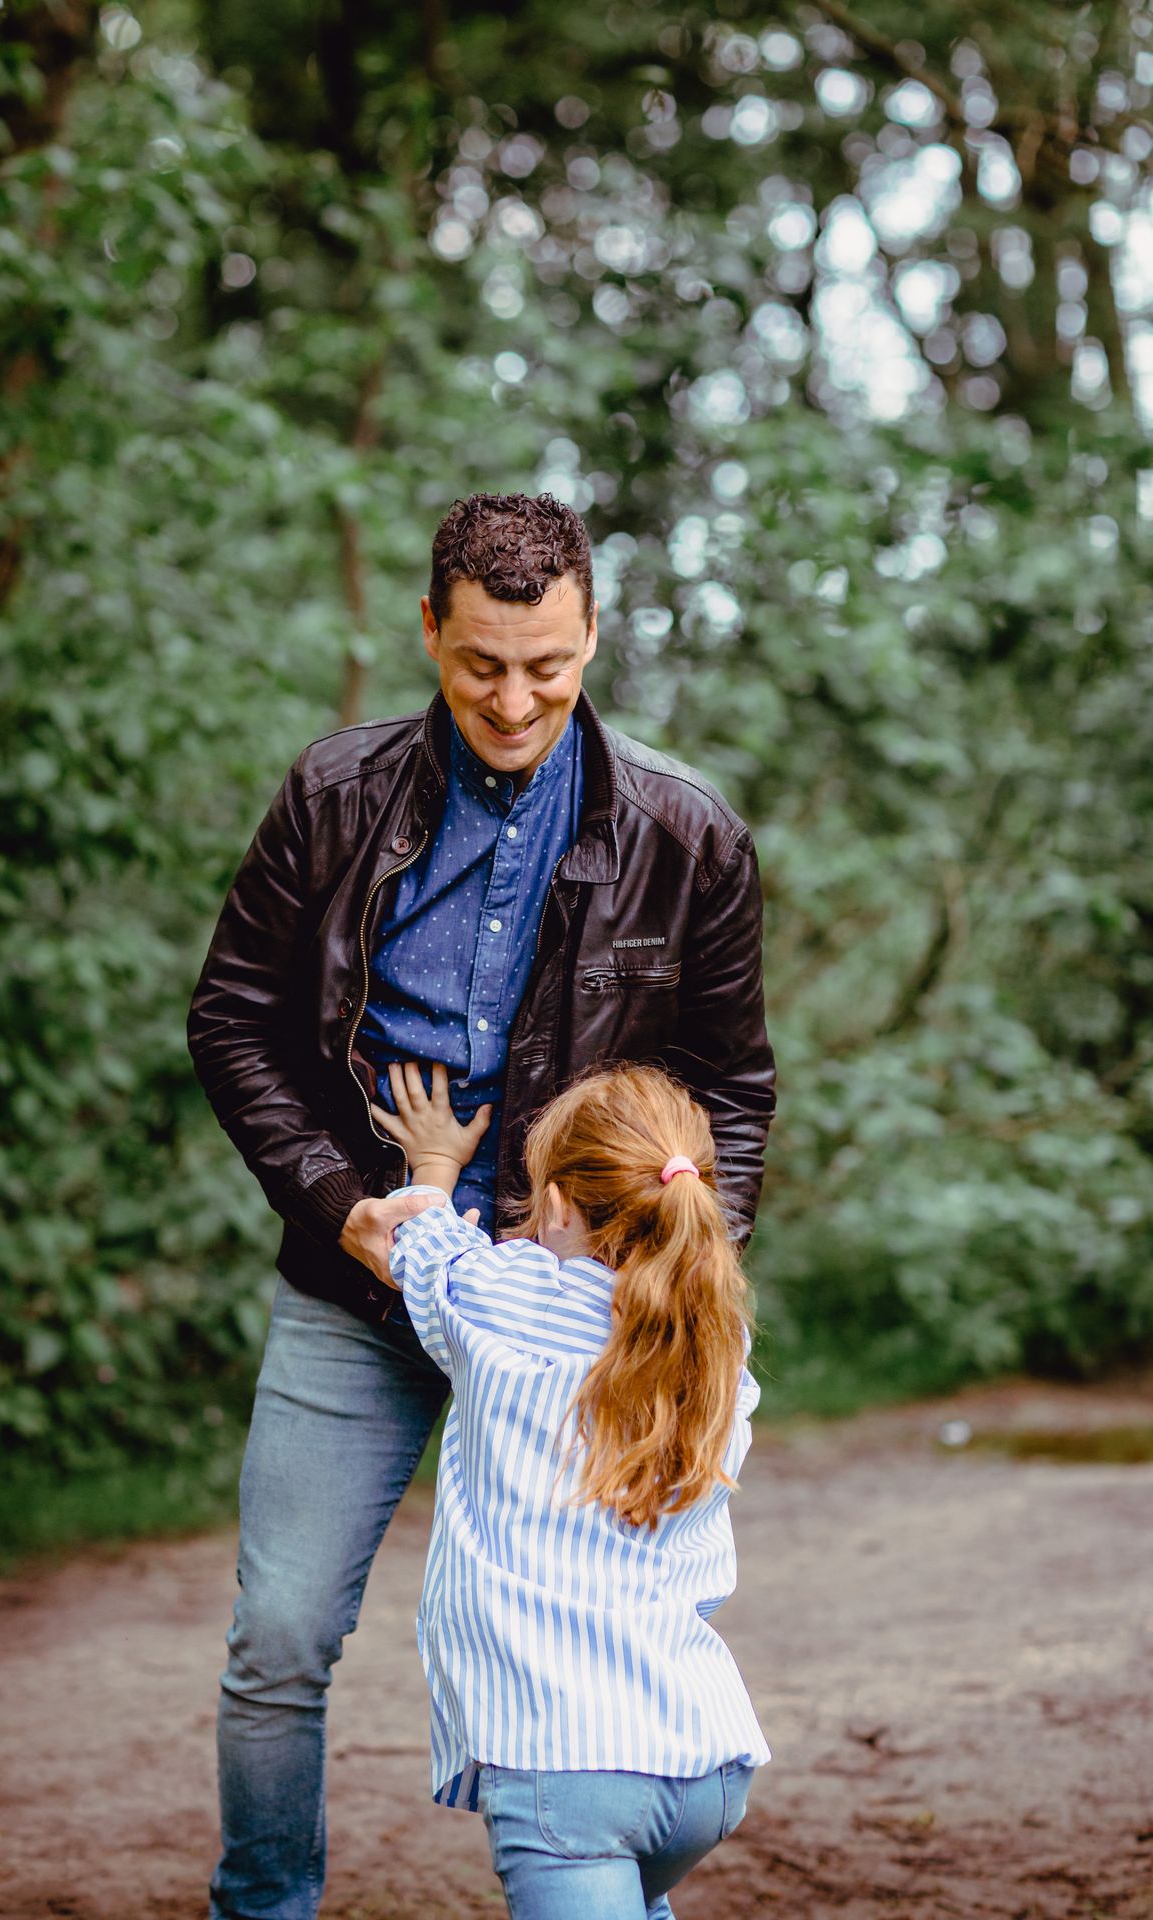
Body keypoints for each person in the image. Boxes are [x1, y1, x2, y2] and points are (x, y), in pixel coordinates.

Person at [187, 490, 775, 1919]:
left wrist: (664, 1284)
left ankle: (613, 1870)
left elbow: (733, 1091)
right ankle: (262, 1908)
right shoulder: (332, 796)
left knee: (626, 1630)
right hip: (359, 1281)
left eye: (548, 668)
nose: (514, 704)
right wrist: (339, 1204)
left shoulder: (688, 834)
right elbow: (232, 1021)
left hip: (582, 1316)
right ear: (430, 633)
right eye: (481, 667)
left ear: (593, 637)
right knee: (278, 1638)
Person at [374, 1057, 768, 1920]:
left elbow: (418, 1241)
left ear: (556, 1205)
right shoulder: (716, 1343)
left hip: (564, 1760)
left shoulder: (501, 1296)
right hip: (705, 1758)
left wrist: (435, 1161)